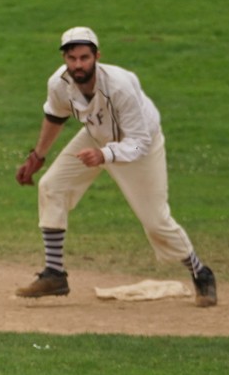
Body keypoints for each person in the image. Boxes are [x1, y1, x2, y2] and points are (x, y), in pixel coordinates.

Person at [14, 26, 217, 307]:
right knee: (52, 186)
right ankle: (55, 273)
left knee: (155, 221)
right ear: (64, 59)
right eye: (72, 58)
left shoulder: (119, 85)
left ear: (97, 56)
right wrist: (37, 157)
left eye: (84, 57)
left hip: (138, 145)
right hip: (97, 136)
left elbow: (139, 143)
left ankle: (201, 272)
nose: (78, 64)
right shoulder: (59, 83)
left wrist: (105, 154)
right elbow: (54, 116)